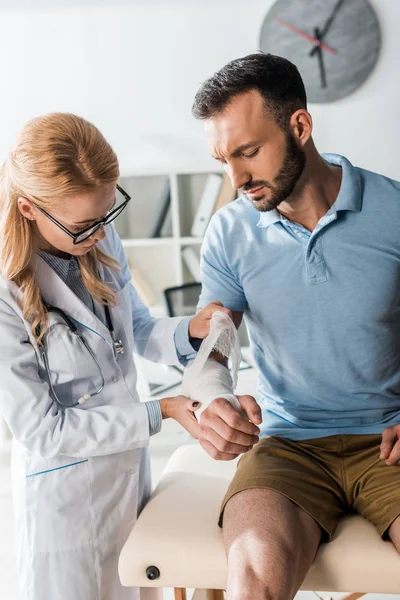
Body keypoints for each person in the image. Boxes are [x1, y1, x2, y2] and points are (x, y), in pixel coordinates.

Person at [191, 52, 400, 600]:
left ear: (300, 126)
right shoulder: (230, 231)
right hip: (287, 443)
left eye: (248, 152)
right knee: (253, 578)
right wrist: (212, 394)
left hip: (390, 438)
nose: (236, 179)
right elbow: (217, 336)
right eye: (223, 159)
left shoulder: (395, 211)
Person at [0, 112, 231, 600]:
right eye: (86, 224)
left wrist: (192, 330)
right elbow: (43, 430)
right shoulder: (6, 293)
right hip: (64, 502)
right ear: (28, 208)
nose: (101, 233)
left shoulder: (98, 239)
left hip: (127, 479)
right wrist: (159, 412)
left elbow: (137, 330)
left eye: (109, 213)